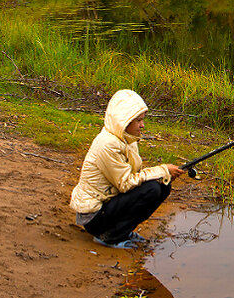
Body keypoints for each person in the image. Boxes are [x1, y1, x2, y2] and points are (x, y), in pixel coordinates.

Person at [70, 89, 183, 249]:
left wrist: (165, 175)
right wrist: (163, 170)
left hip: (108, 204)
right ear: (125, 121)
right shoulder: (108, 144)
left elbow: (136, 176)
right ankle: (110, 237)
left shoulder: (127, 139)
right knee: (152, 189)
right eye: (138, 121)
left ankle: (123, 231)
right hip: (93, 217)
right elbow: (126, 184)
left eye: (142, 120)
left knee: (163, 186)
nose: (142, 125)